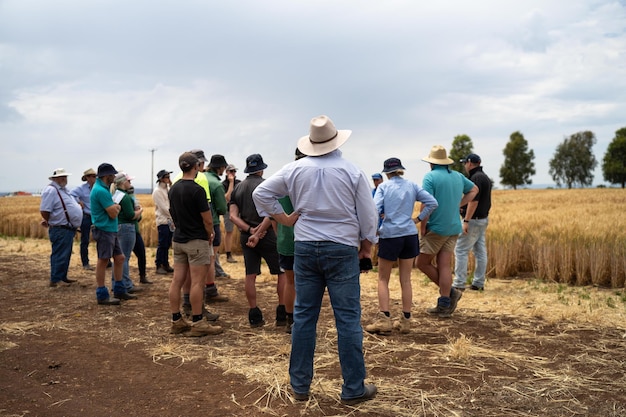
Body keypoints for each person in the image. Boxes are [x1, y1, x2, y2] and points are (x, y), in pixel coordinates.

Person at [252, 115, 379, 405]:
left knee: (304, 316)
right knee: (347, 318)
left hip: (306, 246)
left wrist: (283, 218)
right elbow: (368, 214)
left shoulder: (294, 169)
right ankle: (353, 388)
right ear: (336, 141)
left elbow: (261, 194)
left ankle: (300, 386)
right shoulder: (352, 171)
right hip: (342, 246)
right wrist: (367, 246)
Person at [365, 157, 438, 335]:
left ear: (387, 173)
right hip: (409, 234)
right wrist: (418, 219)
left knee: (383, 278)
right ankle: (405, 321)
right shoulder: (412, 185)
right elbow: (432, 203)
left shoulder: (383, 187)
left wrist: (374, 230)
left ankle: (385, 320)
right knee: (405, 279)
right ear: (400, 170)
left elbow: (374, 210)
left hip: (390, 235)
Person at [415, 145, 478, 318]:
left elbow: (426, 203)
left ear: (431, 163)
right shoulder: (457, 176)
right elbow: (474, 190)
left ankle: (450, 293)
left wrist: (422, 226)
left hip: (436, 227)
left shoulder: (430, 177)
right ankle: (444, 303)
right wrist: (459, 204)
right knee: (444, 265)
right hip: (453, 227)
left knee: (421, 263)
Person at [168, 152, 223, 336]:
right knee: (198, 283)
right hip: (197, 240)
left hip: (179, 239)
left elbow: (172, 215)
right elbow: (208, 220)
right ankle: (198, 322)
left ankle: (176, 320)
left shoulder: (173, 189)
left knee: (177, 281)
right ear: (196, 167)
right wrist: (210, 234)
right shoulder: (197, 190)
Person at [229, 153, 286, 328]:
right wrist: (260, 230)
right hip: (268, 235)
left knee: (250, 275)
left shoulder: (238, 188)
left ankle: (254, 313)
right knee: (281, 273)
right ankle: (282, 312)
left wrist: (249, 229)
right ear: (261, 169)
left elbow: (232, 216)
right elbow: (272, 213)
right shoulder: (267, 186)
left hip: (247, 236)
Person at [90, 163, 136, 305]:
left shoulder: (102, 189)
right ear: (106, 176)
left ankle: (119, 289)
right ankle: (102, 293)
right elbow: (112, 213)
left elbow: (114, 211)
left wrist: (115, 207)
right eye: (112, 175)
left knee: (120, 257)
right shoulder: (101, 191)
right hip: (105, 229)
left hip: (111, 229)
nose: (114, 177)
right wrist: (117, 207)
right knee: (103, 260)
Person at [276, 148, 306, 334]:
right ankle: (303, 320)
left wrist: (280, 232)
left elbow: (272, 214)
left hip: (285, 239)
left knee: (290, 282)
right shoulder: (309, 178)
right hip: (307, 238)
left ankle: (290, 320)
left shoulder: (284, 178)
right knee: (307, 283)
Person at [453, 153, 492, 291]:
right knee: (480, 252)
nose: (464, 166)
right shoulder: (485, 177)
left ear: (469, 163)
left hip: (473, 220)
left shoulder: (475, 178)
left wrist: (466, 220)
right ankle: (479, 282)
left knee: (461, 249)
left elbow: (473, 201)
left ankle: (459, 283)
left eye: (465, 163)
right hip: (483, 219)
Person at [40, 168, 83, 287]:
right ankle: (56, 279)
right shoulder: (51, 190)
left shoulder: (63, 190)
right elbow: (44, 210)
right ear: (54, 178)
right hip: (60, 228)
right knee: (59, 254)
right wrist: (49, 221)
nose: (64, 178)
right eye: (61, 177)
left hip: (66, 228)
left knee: (65, 253)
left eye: (65, 176)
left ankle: (62, 277)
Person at [205, 154, 230, 279]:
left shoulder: (200, 177)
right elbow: (222, 208)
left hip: (196, 223)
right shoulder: (216, 184)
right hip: (212, 222)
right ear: (220, 168)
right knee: (211, 256)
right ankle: (210, 287)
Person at [70, 168, 97, 270]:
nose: (94, 178)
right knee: (85, 240)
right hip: (86, 216)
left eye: (95, 176)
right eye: (92, 176)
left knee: (102, 239)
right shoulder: (81, 188)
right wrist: (78, 201)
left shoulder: (98, 188)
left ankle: (105, 261)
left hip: (97, 217)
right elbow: (70, 195)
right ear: (87, 178)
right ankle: (85, 263)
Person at [128, 185, 151, 284]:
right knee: (125, 257)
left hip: (134, 230)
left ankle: (142, 276)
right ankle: (124, 281)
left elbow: (138, 218)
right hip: (129, 231)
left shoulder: (132, 200)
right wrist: (139, 211)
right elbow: (132, 216)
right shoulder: (126, 200)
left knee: (141, 253)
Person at [152, 169, 174, 275]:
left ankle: (165, 263)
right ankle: (159, 264)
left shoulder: (167, 189)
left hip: (169, 221)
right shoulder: (157, 191)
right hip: (163, 221)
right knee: (163, 243)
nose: (169, 179)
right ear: (162, 179)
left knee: (167, 243)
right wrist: (173, 216)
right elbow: (163, 208)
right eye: (167, 177)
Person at [222, 164, 241, 263]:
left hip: (239, 209)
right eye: (231, 171)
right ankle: (228, 254)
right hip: (228, 210)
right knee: (229, 231)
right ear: (227, 172)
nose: (233, 173)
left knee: (243, 230)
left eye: (234, 171)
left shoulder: (239, 183)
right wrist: (231, 183)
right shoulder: (223, 184)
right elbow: (228, 198)